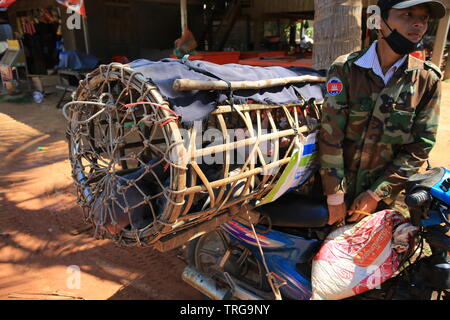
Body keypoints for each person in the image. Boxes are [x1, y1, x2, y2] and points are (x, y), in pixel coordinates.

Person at [318, 0, 445, 225]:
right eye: (407, 15)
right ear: (378, 19)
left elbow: (420, 146)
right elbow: (330, 135)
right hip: (330, 198)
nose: (418, 24)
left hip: (380, 204)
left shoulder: (427, 80)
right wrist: (335, 196)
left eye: (423, 18)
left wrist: (376, 194)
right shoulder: (346, 69)